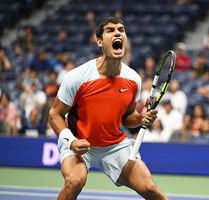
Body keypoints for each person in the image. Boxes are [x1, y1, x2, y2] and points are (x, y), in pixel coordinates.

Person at [48, 17, 168, 200]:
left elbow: (127, 117)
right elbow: (55, 114)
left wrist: (141, 118)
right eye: (110, 30)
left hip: (114, 146)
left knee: (150, 188)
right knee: (74, 181)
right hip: (79, 142)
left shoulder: (133, 79)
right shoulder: (77, 77)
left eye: (121, 29)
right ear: (99, 41)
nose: (118, 32)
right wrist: (71, 141)